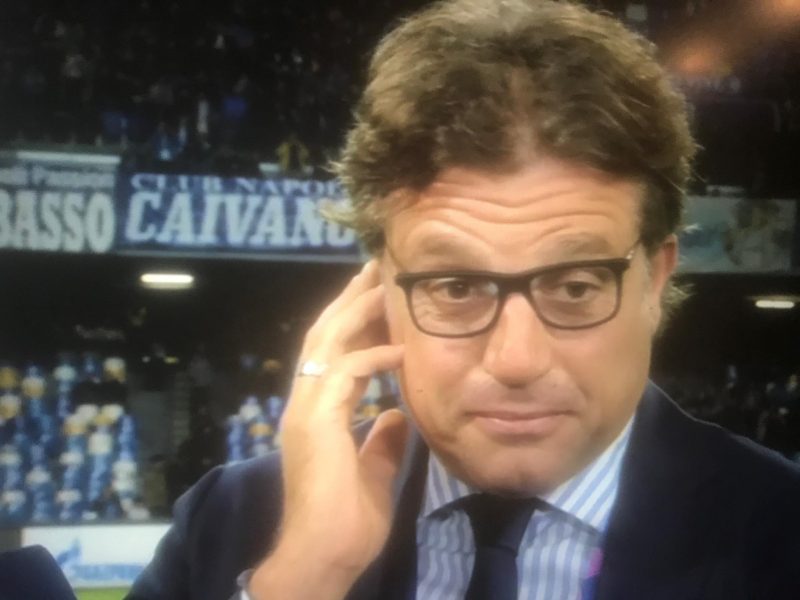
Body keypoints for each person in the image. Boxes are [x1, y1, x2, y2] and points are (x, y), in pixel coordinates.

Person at [128, 1, 800, 599]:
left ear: (654, 280)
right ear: (377, 294)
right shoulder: (230, 523)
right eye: (455, 287)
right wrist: (304, 580)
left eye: (575, 286)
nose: (516, 360)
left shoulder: (782, 532)